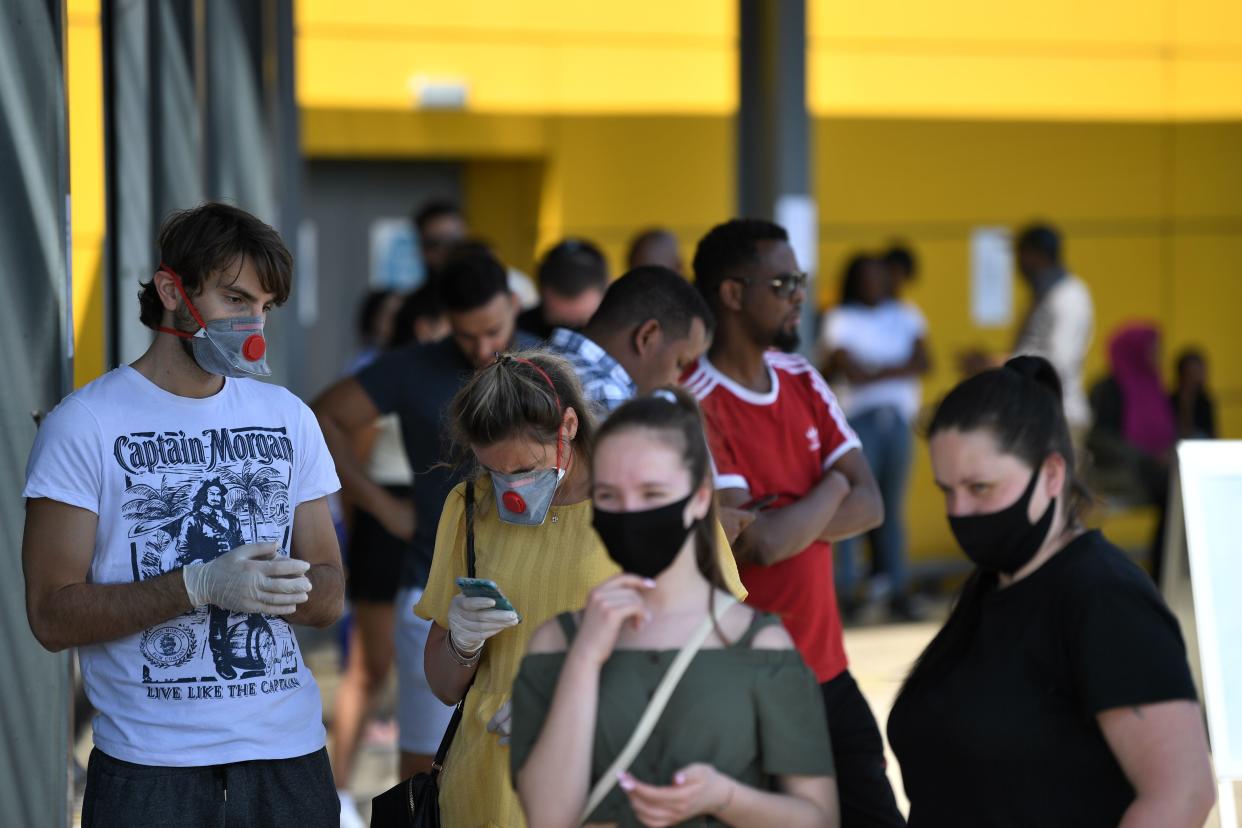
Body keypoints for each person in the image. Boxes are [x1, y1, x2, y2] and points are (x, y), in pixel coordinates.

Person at [23, 203, 344, 826]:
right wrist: (197, 585)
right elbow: (50, 616)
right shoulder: (85, 424)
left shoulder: (289, 417)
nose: (253, 323)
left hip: (290, 760)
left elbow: (329, 597)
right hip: (149, 769)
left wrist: (277, 589)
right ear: (173, 291)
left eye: (265, 307)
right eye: (234, 299)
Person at [415, 352, 747, 827]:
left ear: (567, 425)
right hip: (486, 794)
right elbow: (444, 686)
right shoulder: (470, 506)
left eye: (526, 468)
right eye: (494, 470)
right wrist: (460, 642)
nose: (510, 488)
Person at [887, 355, 1215, 826]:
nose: (959, 511)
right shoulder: (992, 584)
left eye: (981, 488)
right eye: (947, 490)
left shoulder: (1104, 598)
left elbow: (1182, 795)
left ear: (1052, 474)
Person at [512, 388, 838, 828]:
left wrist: (724, 798)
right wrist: (585, 659)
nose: (630, 513)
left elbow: (818, 818)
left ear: (701, 498)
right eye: (609, 496)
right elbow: (548, 818)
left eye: (652, 493)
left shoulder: (759, 642)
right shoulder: (560, 640)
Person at [685, 219, 904, 827]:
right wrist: (836, 483)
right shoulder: (694, 399)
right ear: (731, 293)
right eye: (783, 282)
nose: (799, 294)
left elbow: (874, 504)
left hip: (830, 671)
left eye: (800, 280)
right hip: (747, 685)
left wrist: (805, 500)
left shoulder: (803, 378)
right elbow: (765, 544)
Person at [312, 246, 539, 789]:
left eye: (493, 330)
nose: (484, 349)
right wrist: (381, 504)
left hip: (534, 583)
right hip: (432, 586)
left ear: (513, 304)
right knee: (425, 769)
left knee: (525, 764)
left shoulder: (542, 364)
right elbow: (323, 416)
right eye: (467, 336)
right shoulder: (414, 365)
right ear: (445, 324)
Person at [820, 254, 930, 621]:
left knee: (890, 510)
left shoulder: (906, 313)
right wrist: (894, 369)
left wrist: (873, 369)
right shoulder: (841, 318)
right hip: (855, 423)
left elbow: (923, 362)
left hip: (898, 421)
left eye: (877, 276)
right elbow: (848, 369)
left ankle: (896, 589)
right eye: (864, 277)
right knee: (852, 504)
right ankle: (847, 592)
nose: (872, 283)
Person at [960, 223, 1094, 445]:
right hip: (1037, 413)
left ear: (1036, 254)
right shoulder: (1046, 294)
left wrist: (995, 363)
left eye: (1021, 255)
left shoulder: (1068, 295)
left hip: (1060, 415)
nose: (1017, 265)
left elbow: (1056, 362)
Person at [548, 264, 714, 416]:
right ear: (646, 336)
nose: (677, 382)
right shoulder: (609, 398)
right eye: (680, 363)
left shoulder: (538, 358)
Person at [1087, 323, 1178, 582]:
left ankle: (1171, 569)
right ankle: (1163, 572)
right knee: (1171, 492)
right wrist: (1147, 457)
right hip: (1121, 473)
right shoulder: (1108, 389)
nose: (1157, 356)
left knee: (1177, 491)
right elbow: (1100, 439)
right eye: (1152, 350)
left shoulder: (1155, 386)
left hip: (1154, 472)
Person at [413, 199, 537, 307]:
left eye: (454, 240)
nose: (446, 250)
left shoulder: (516, 284)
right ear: (421, 250)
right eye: (434, 244)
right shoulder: (415, 303)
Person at [517, 238, 610, 339]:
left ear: (609, 288)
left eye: (581, 322)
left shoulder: (619, 334)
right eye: (560, 323)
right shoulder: (518, 332)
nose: (569, 335)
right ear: (540, 291)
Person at [1171, 347, 1217, 440]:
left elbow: (1212, 434)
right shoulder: (1170, 401)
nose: (1201, 375)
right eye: (1194, 372)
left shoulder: (1204, 401)